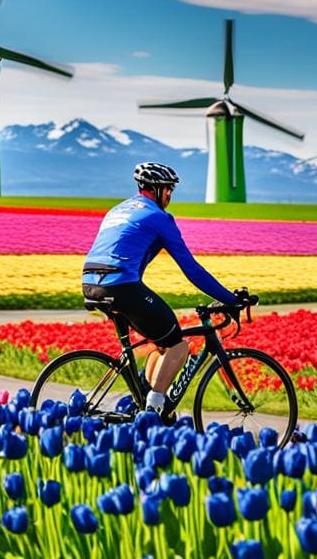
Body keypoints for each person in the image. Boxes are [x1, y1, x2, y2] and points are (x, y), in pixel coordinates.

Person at [82, 162, 239, 418]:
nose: (170, 196)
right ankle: (153, 411)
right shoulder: (159, 217)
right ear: (157, 189)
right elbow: (191, 268)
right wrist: (229, 299)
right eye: (168, 189)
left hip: (90, 284)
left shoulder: (117, 210)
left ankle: (146, 397)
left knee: (162, 342)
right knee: (178, 345)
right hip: (120, 285)